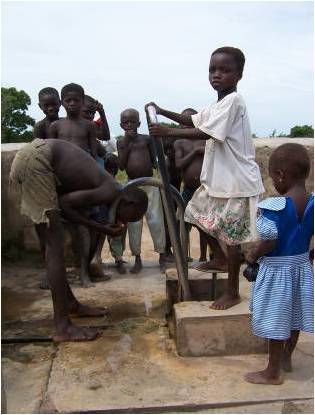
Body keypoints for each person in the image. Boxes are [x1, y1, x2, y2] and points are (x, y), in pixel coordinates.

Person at [146, 46, 264, 309]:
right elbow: (192, 120)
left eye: (225, 70)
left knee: (232, 238)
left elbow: (207, 132)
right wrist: (163, 111)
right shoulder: (217, 104)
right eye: (212, 70)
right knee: (195, 214)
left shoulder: (235, 101)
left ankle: (232, 291)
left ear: (239, 74)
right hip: (219, 182)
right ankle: (221, 259)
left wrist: (166, 131)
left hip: (237, 182)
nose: (217, 75)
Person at [9, 138, 148, 342]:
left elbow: (68, 206)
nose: (124, 221)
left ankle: (71, 305)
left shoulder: (109, 189)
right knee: (54, 244)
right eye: (130, 216)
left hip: (33, 158)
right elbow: (65, 204)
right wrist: (100, 227)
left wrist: (100, 227)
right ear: (128, 201)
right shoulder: (111, 189)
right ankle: (62, 327)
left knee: (48, 243)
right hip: (38, 161)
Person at [243, 143, 313, 385]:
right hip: (302, 269)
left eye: (273, 177)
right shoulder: (313, 203)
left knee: (276, 320)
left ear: (280, 175)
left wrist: (252, 255)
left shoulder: (275, 207)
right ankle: (286, 359)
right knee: (294, 317)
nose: (273, 183)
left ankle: (272, 372)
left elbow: (270, 241)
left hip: (277, 273)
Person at [117, 108, 167, 273]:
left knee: (156, 220)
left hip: (150, 184)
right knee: (134, 223)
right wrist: (127, 144)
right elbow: (122, 165)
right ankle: (137, 258)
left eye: (133, 121)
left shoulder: (146, 140)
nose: (129, 125)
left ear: (139, 123)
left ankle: (161, 255)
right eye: (126, 122)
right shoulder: (121, 142)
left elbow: (154, 161)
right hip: (132, 186)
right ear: (121, 125)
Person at [173, 108, 213, 266]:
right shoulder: (180, 143)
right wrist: (196, 152)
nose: (185, 125)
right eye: (182, 122)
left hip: (205, 189)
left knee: (205, 225)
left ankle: (204, 256)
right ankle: (183, 255)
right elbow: (179, 164)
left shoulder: (206, 140)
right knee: (184, 223)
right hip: (188, 189)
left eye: (188, 122)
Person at [49, 83, 98, 158]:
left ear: (83, 102)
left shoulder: (89, 125)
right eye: (68, 100)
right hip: (62, 165)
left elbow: (93, 152)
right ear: (61, 102)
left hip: (83, 164)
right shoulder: (55, 126)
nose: (72, 103)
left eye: (76, 100)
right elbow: (51, 150)